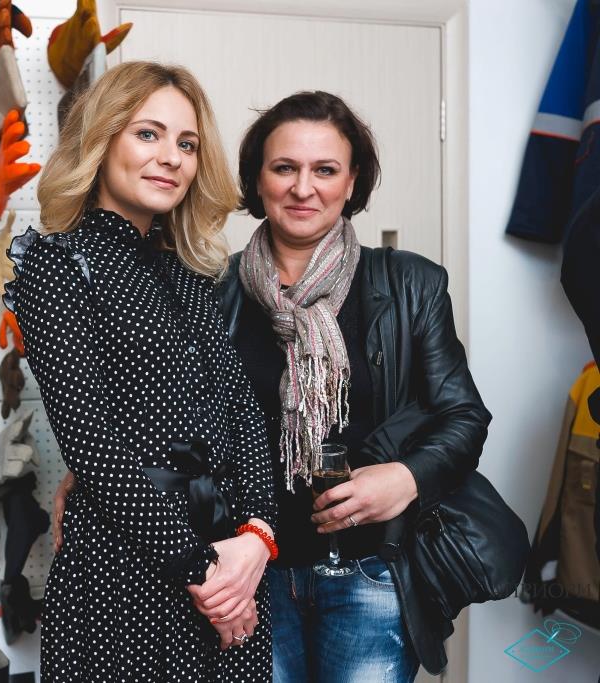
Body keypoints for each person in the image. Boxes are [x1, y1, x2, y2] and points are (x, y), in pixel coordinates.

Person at [5, 61, 278, 682]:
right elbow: (91, 442)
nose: (172, 158)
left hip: (230, 561)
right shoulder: (58, 265)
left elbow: (241, 410)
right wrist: (205, 575)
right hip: (128, 572)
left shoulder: (188, 271)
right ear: (102, 141)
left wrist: (257, 538)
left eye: (188, 144)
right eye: (148, 134)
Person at [216, 91, 491, 681]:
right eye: (284, 167)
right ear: (258, 178)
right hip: (250, 572)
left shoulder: (411, 283)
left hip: (373, 571)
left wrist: (407, 478)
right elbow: (178, 431)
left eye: (325, 170)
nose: (303, 188)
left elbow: (464, 416)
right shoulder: (213, 292)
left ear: (352, 180)